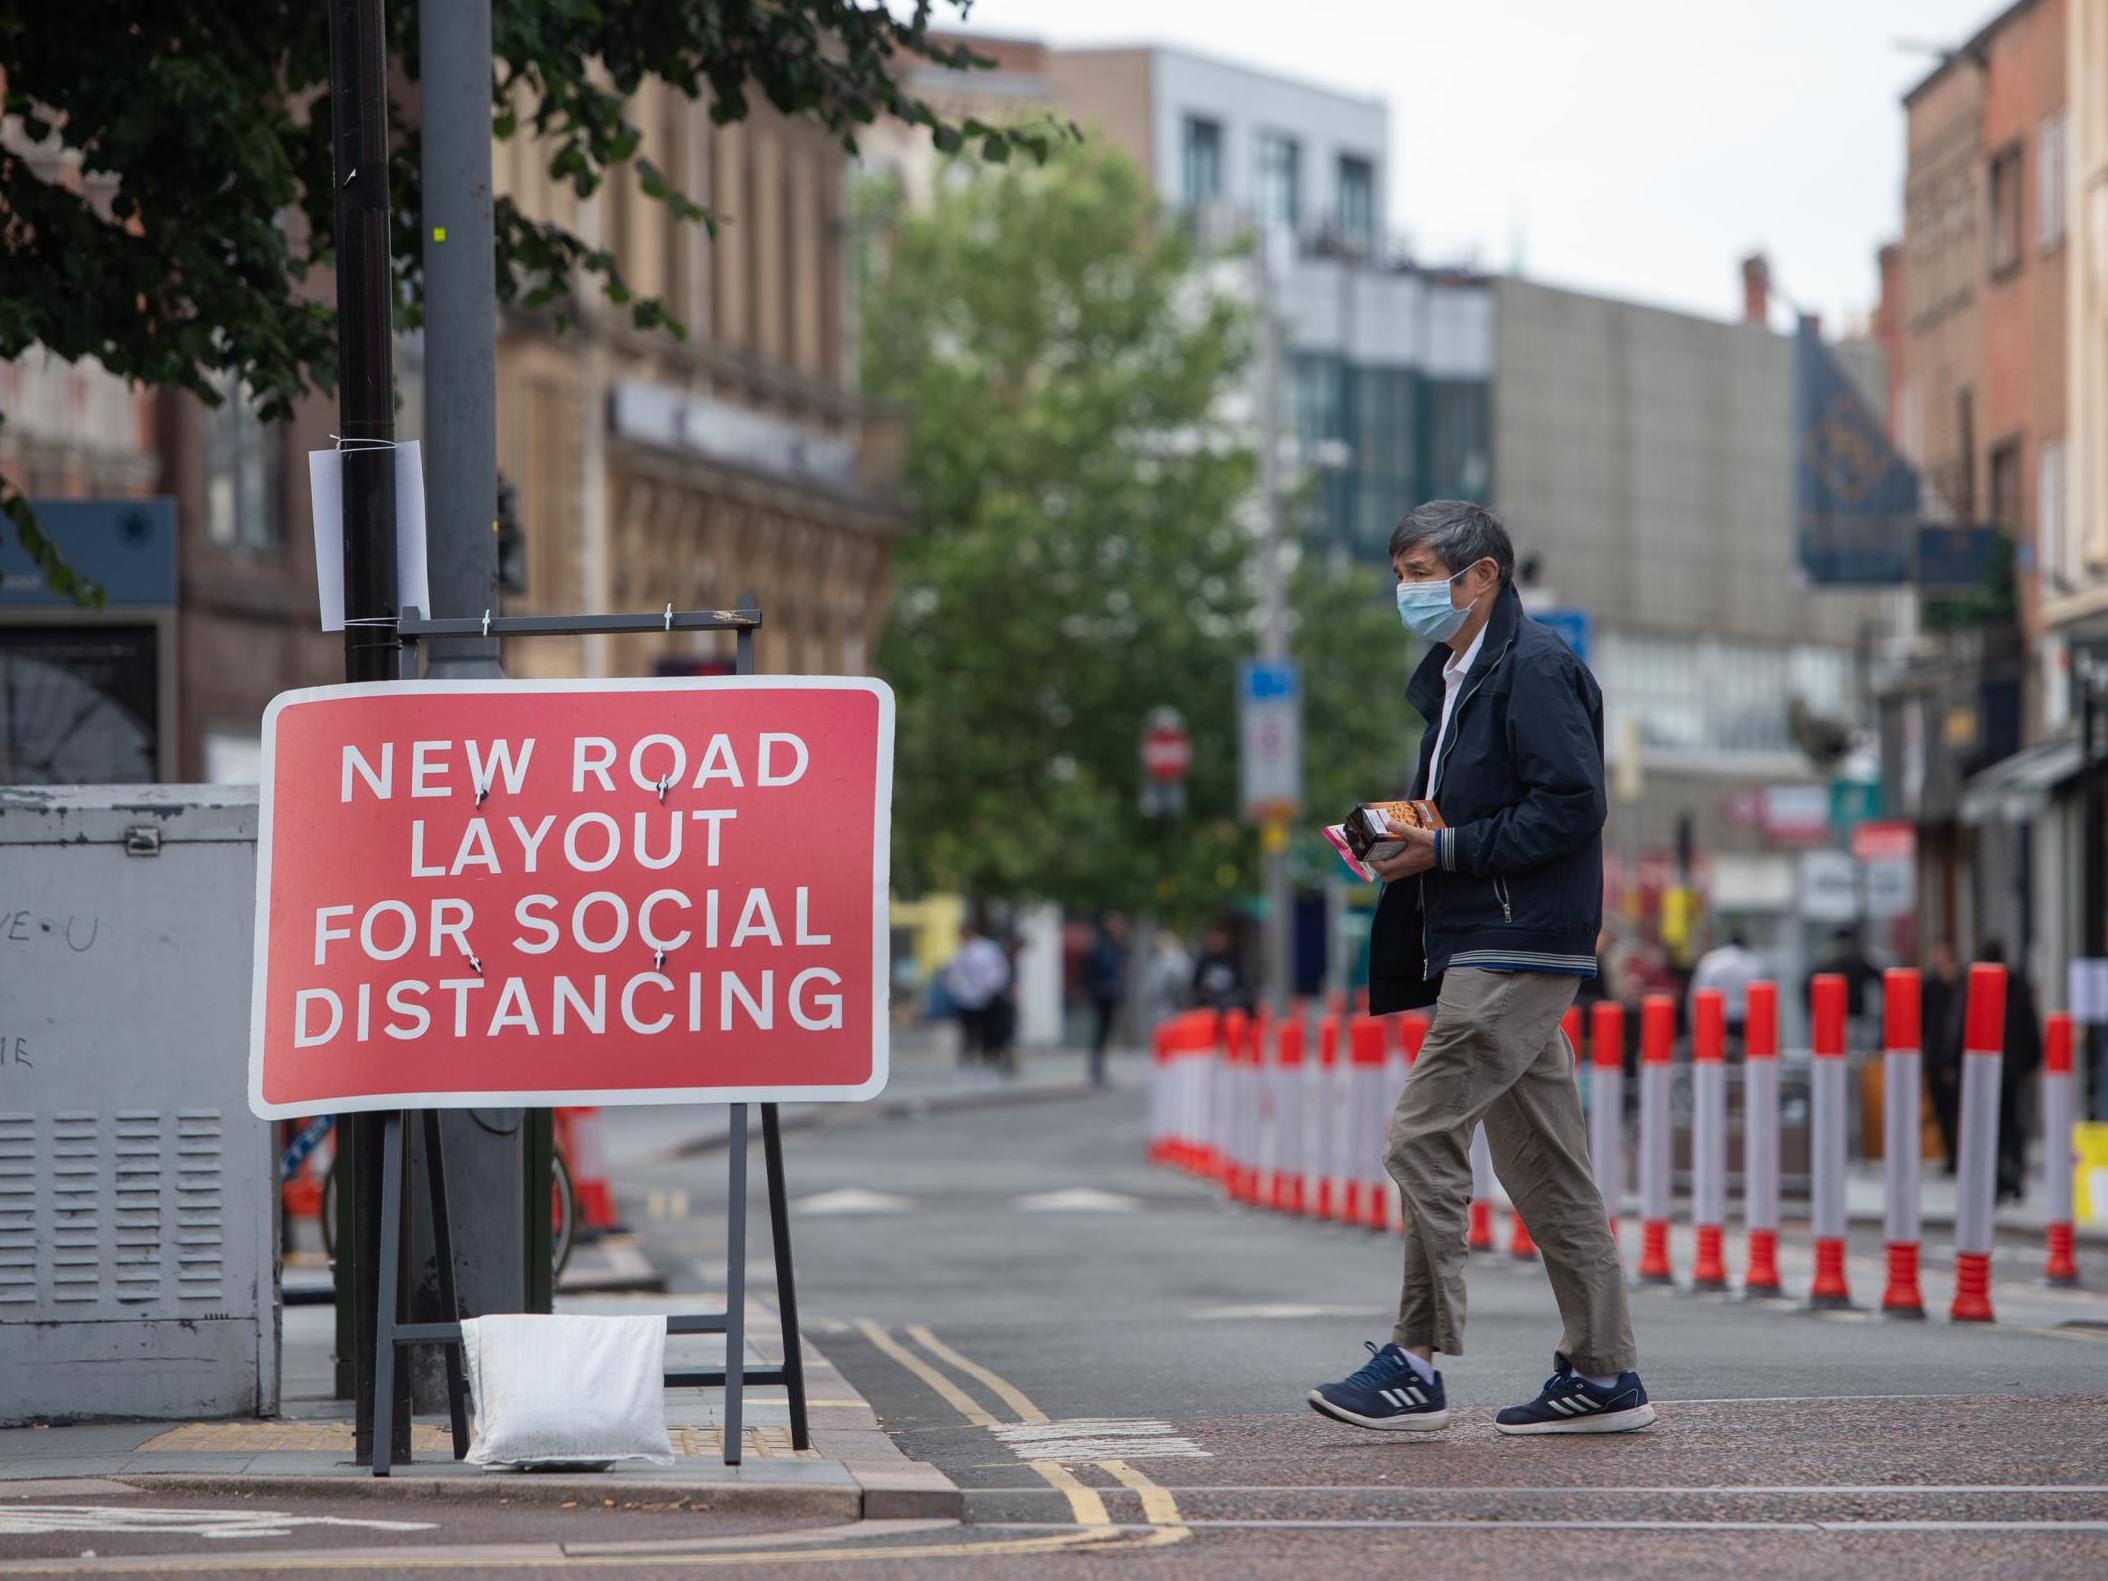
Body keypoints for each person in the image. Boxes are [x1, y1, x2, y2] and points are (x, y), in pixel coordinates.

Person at [1308, 500, 1651, 1438]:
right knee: (1547, 1169)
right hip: (1485, 939)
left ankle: (1416, 1362)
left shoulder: (1535, 667)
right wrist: (1399, 834)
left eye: (1422, 572)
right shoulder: (1459, 675)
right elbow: (1476, 810)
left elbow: (1573, 806)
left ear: (1484, 576)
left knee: (1421, 1133)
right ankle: (1605, 1372)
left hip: (1515, 943)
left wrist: (1448, 848)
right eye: (1401, 574)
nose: (1406, 591)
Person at [1978, 940, 2043, 1203]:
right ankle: (2014, 1174)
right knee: (2013, 1123)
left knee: (1994, 1124)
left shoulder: (1980, 985)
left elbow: (1962, 1025)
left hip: (1988, 1067)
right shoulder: (2018, 985)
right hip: (2014, 1067)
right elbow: (2031, 1023)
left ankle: (2000, 1179)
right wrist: (2033, 1060)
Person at [944, 913, 1011, 1073]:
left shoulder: (986, 949)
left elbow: (997, 971)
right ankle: (970, 1061)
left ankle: (987, 1059)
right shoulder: (962, 952)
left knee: (986, 1031)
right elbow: (954, 976)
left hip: (985, 999)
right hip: (967, 1000)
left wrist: (990, 987)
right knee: (969, 1033)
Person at [1921, 939, 1965, 1175]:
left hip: (1961, 1058)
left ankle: (1962, 1154)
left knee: (1961, 1109)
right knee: (1941, 1110)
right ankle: (1951, 1155)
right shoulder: (1930, 986)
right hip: (1936, 1058)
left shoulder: (1963, 985)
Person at [1689, 930, 1762, 1054]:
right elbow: (1759, 998)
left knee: (1714, 1055)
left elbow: (1699, 990)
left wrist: (1694, 1022)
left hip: (1715, 1016)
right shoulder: (1753, 963)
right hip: (1742, 1017)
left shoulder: (1711, 961)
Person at [1081, 915, 1128, 1088]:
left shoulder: (1113, 947)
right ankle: (1096, 1068)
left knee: (1105, 1031)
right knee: (1102, 1030)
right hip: (1103, 993)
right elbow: (1092, 970)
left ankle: (1098, 1067)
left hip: (1109, 993)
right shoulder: (1102, 946)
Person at [1190, 924, 1249, 1014]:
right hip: (1207, 1008)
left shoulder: (1232, 961)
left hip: (1229, 1008)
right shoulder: (1204, 961)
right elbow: (1196, 984)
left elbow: (1240, 983)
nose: (1217, 942)